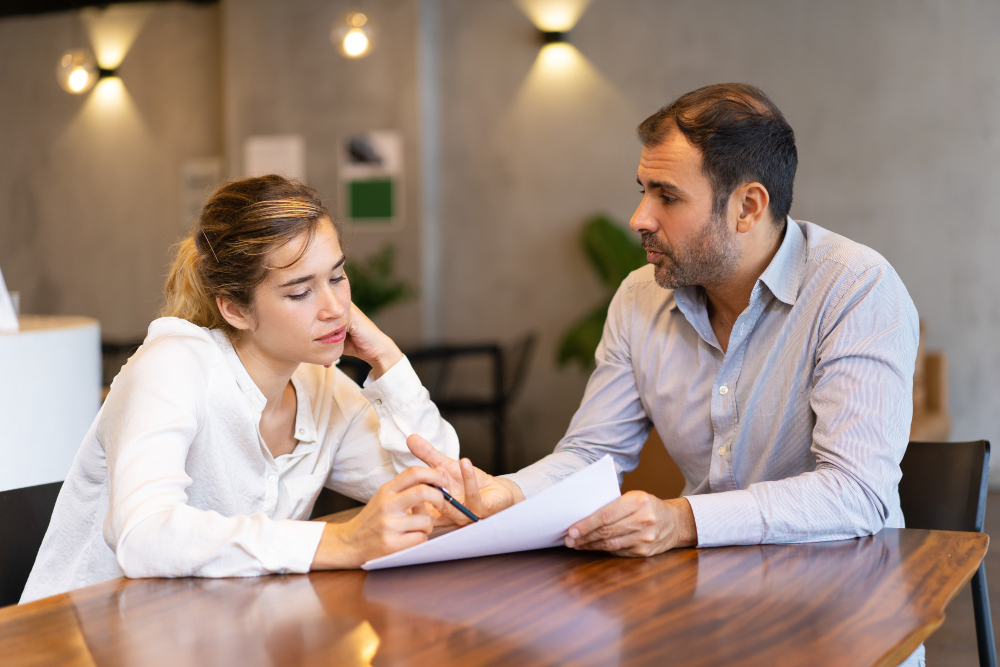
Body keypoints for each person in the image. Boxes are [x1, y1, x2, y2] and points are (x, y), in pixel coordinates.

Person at [409, 83, 922, 665]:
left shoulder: (855, 289)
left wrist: (681, 519)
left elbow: (856, 494)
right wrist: (507, 493)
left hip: (843, 615)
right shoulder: (638, 298)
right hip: (703, 612)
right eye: (642, 190)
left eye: (667, 196)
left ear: (747, 207)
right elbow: (592, 454)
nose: (638, 218)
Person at [21, 175, 460, 603]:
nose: (335, 308)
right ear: (235, 309)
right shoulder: (173, 364)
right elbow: (143, 535)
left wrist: (386, 358)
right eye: (300, 292)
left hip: (209, 636)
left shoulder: (320, 384)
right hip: (75, 641)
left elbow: (444, 493)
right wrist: (339, 541)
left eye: (337, 277)